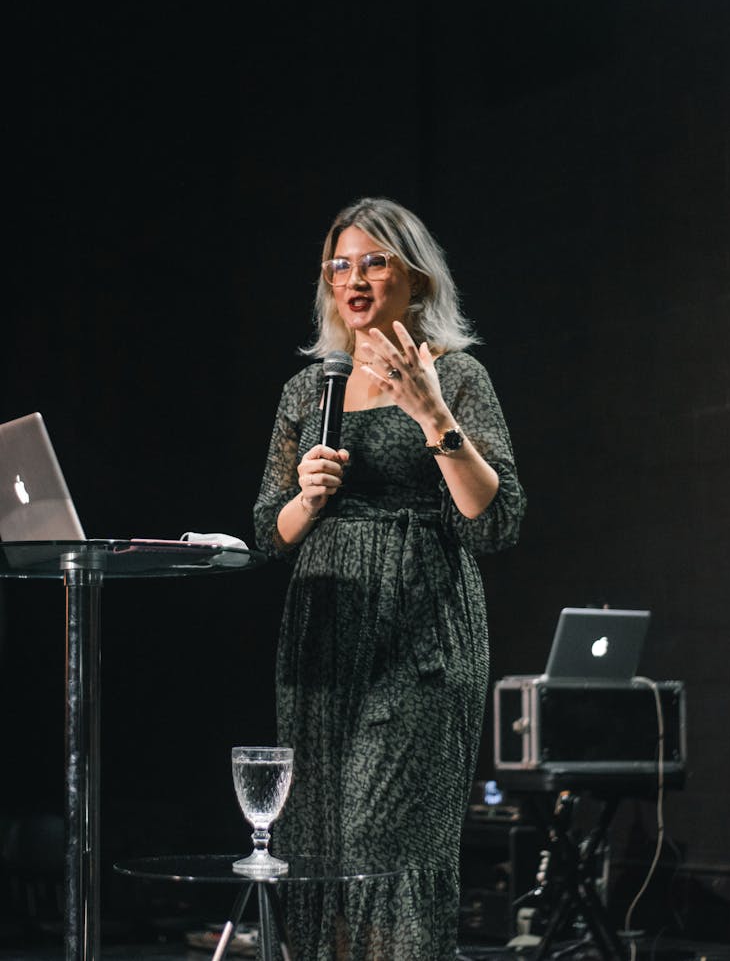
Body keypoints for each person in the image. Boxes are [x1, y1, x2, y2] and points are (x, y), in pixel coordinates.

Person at [252, 196, 526, 960]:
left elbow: (495, 521)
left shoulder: (457, 376)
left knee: (384, 841)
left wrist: (435, 417)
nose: (355, 278)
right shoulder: (307, 392)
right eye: (340, 264)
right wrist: (305, 499)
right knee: (315, 842)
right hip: (322, 632)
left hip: (421, 634)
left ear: (415, 278)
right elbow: (265, 534)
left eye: (375, 261)